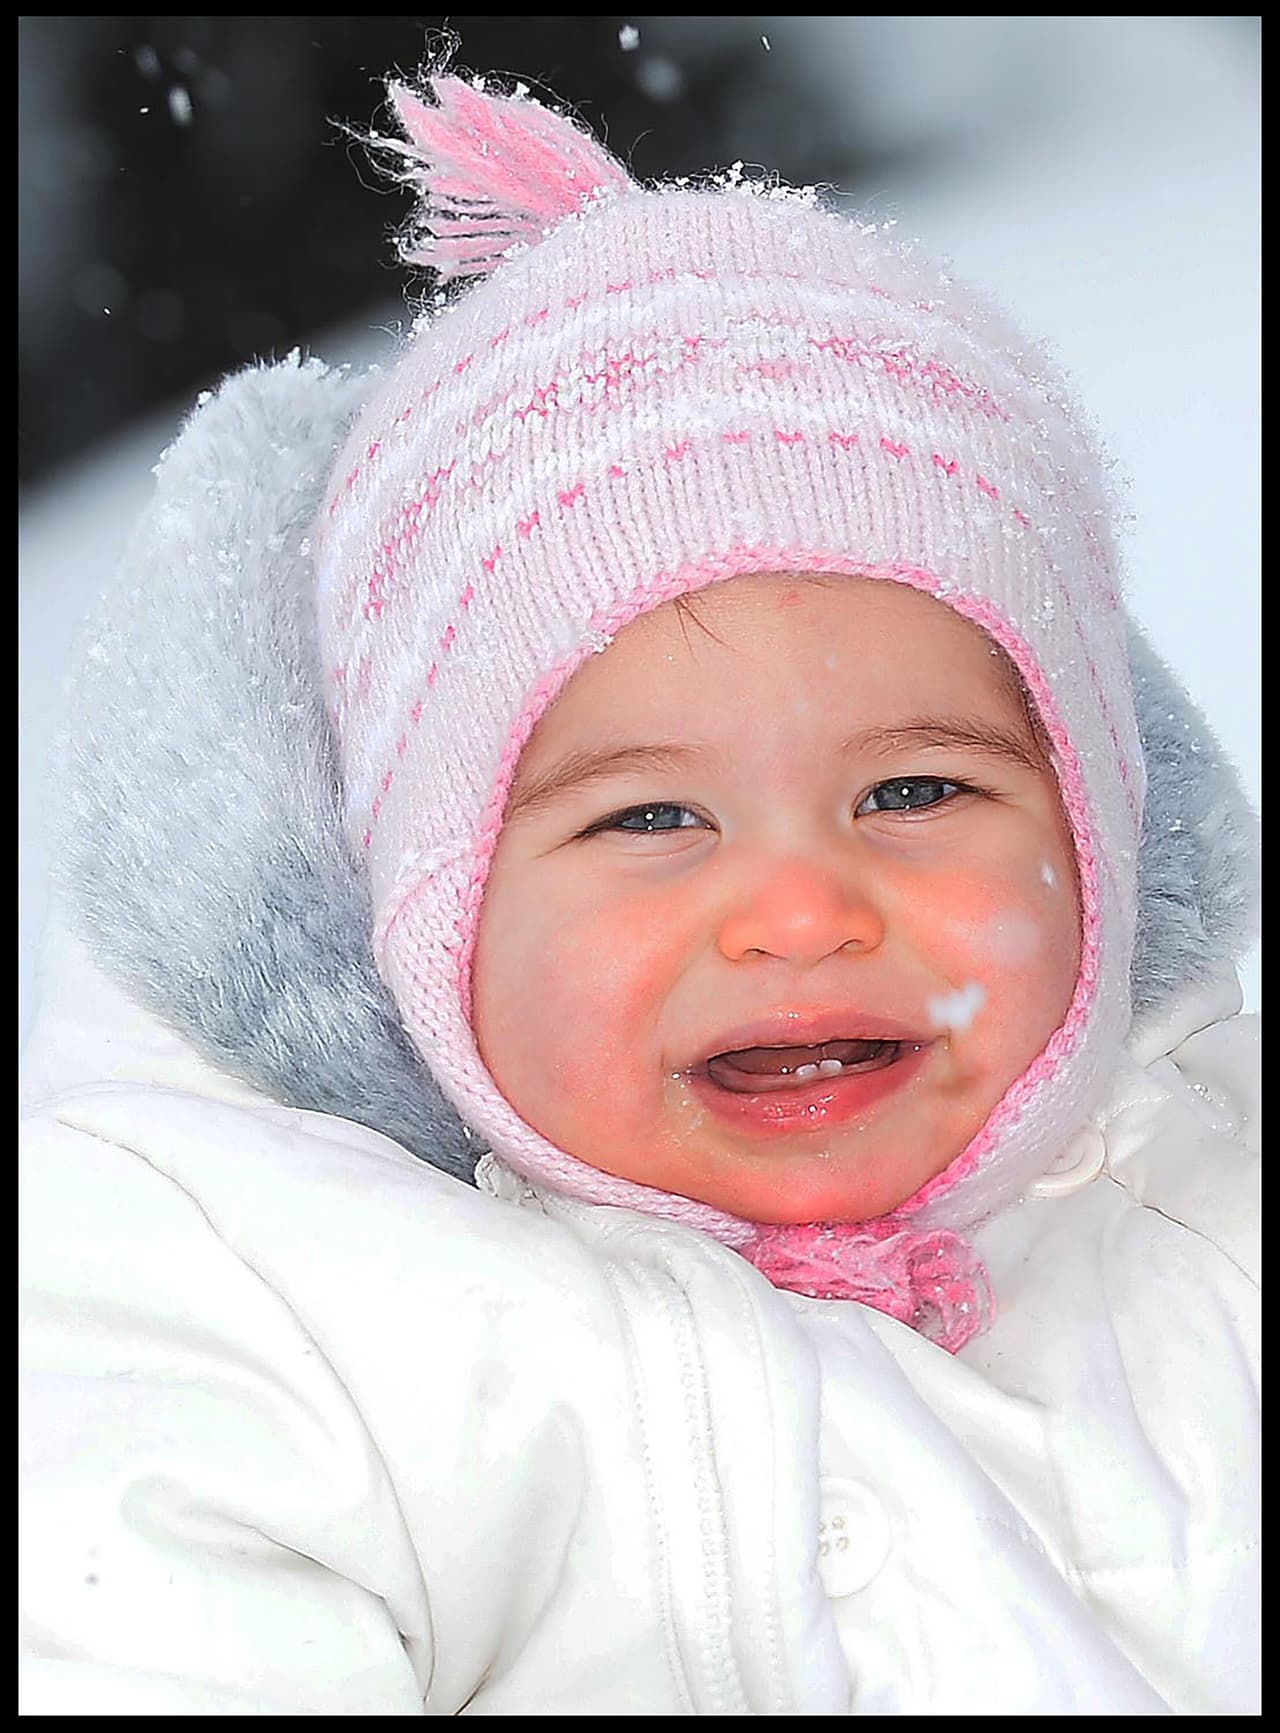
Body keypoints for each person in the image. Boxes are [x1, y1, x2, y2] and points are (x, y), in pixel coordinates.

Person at [19, 66, 1259, 1715]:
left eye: (914, 789)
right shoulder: (266, 1311)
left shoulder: (1210, 1230)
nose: (803, 911)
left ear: (1095, 829)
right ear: (431, 910)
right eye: (653, 817)